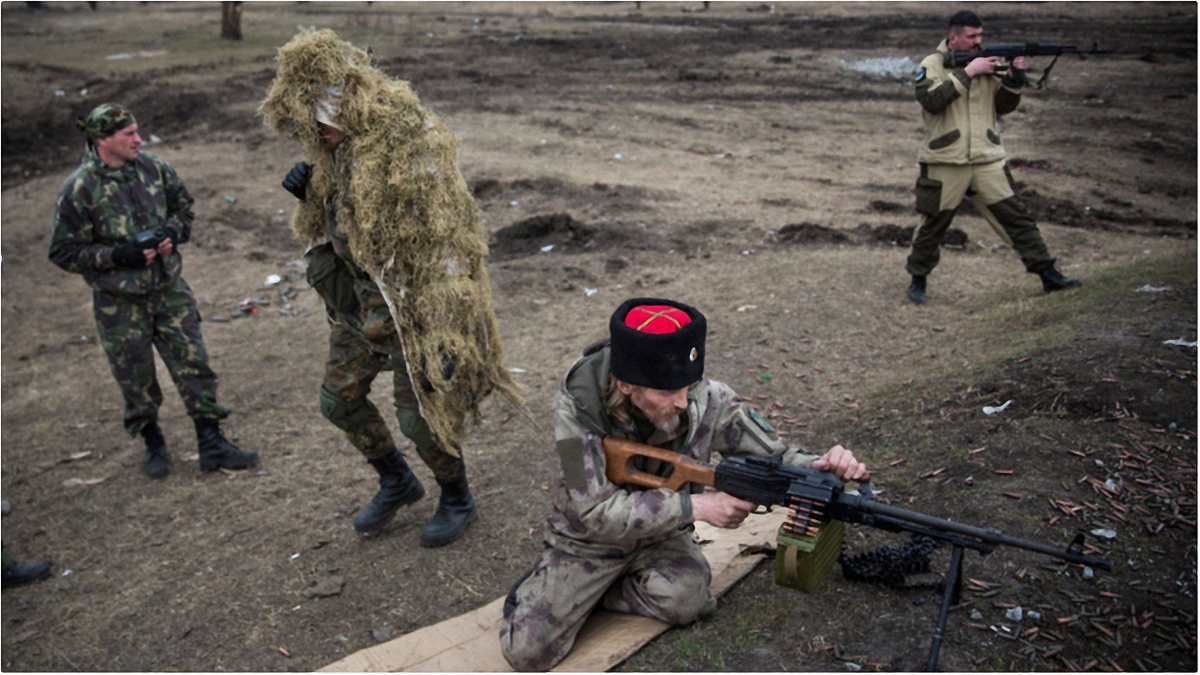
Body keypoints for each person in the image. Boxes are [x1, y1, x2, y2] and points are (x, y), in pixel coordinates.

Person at [499, 298, 867, 671]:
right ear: (626, 384)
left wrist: (822, 467)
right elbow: (594, 511)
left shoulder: (705, 397)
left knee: (688, 601)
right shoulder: (578, 409)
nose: (682, 401)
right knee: (526, 653)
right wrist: (698, 507)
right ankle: (559, 585)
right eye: (666, 392)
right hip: (588, 540)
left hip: (663, 535)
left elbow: (774, 456)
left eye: (687, 385)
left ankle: (597, 594)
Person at [260, 31, 520, 548]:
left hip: (414, 311)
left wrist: (446, 332)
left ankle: (457, 496)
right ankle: (396, 480)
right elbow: (331, 224)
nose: (314, 136)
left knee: (419, 418)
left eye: (319, 125)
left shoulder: (407, 141)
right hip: (360, 306)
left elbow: (448, 237)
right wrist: (310, 191)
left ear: (341, 108)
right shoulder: (333, 149)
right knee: (338, 401)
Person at [49, 104, 259, 479]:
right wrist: (117, 255)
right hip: (119, 304)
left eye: (137, 131)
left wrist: (172, 234)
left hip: (169, 290)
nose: (138, 139)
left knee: (195, 365)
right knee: (135, 378)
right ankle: (153, 443)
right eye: (128, 134)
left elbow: (184, 209)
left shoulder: (154, 169)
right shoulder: (79, 189)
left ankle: (212, 443)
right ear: (102, 140)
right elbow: (64, 251)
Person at [905, 10, 1081, 305]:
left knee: (1017, 219)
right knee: (932, 225)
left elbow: (1004, 106)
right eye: (971, 36)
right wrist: (969, 72)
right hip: (946, 160)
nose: (978, 42)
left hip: (987, 159)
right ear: (953, 37)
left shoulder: (988, 62)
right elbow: (931, 101)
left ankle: (1049, 275)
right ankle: (917, 280)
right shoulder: (932, 65)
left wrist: (1014, 77)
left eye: (980, 36)